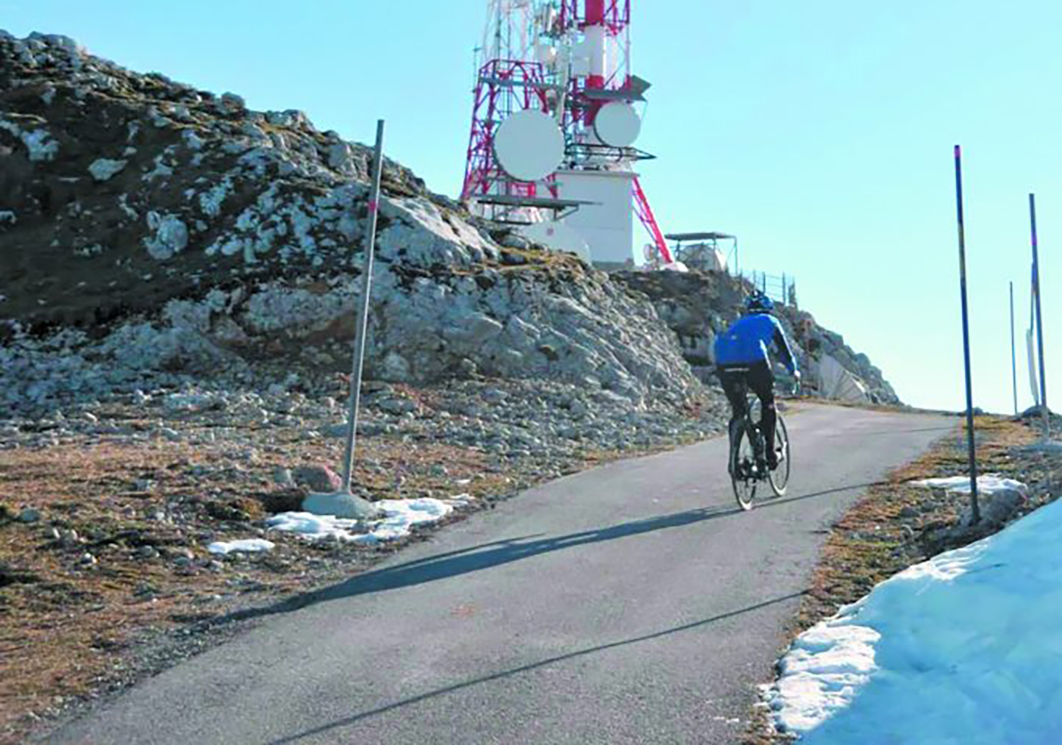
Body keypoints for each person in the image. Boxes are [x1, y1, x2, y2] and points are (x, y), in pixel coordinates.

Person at [714, 291, 800, 470]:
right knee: (767, 402)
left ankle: (734, 461)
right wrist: (794, 372)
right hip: (755, 363)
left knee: (739, 412)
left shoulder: (738, 323)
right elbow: (784, 352)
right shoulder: (770, 321)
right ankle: (769, 454)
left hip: (725, 365)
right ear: (768, 309)